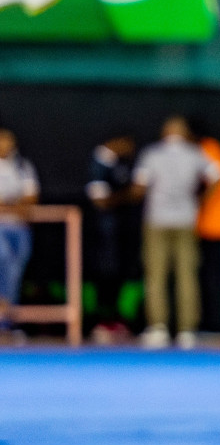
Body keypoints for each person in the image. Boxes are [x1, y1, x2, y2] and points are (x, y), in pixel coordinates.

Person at [133, 116, 220, 349]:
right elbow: (216, 174)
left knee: (156, 275)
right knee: (187, 275)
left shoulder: (152, 154)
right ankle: (186, 331)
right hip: (185, 219)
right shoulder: (194, 154)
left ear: (165, 132)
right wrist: (200, 199)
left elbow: (140, 186)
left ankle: (158, 328)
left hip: (157, 220)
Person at [85, 131, 140, 333]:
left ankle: (115, 318)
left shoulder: (119, 163)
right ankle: (100, 319)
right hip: (101, 235)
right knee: (102, 275)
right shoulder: (98, 163)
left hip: (119, 235)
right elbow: (100, 201)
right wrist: (128, 195)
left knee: (118, 274)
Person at [194, 123, 220, 333]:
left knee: (210, 277)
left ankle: (213, 323)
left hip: (212, 224)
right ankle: (211, 322)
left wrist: (197, 201)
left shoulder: (208, 149)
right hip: (211, 224)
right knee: (209, 276)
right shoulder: (215, 149)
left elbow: (216, 179)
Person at [0, 129, 40, 338]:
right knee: (3, 261)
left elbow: (31, 198)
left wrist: (9, 204)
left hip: (20, 228)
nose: (5, 144)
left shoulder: (22, 166)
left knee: (15, 272)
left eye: (8, 141)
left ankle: (6, 324)